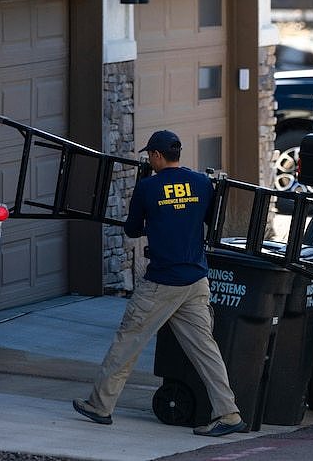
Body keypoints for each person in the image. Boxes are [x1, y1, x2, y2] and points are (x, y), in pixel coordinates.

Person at [73, 130, 246, 437]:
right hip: (196, 280)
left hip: (162, 282)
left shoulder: (148, 187)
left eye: (148, 155)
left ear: (155, 155)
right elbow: (210, 220)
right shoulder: (202, 183)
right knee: (206, 351)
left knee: (128, 341)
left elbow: (131, 229)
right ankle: (229, 413)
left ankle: (100, 406)